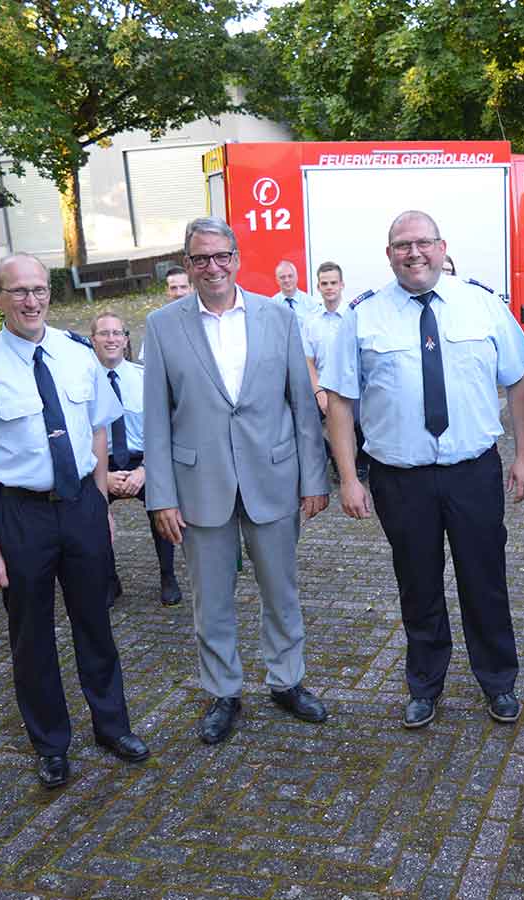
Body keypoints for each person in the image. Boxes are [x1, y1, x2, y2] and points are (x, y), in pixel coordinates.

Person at [0, 253, 149, 789]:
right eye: (18, 292)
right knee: (31, 635)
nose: (31, 301)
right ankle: (51, 743)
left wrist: (100, 507)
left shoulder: (77, 353)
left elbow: (99, 431)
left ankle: (112, 726)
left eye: (39, 289)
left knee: (95, 623)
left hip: (80, 503)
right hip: (19, 514)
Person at [322, 210, 524, 729]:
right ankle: (424, 684)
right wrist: (349, 477)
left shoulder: (482, 304)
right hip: (401, 478)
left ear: (442, 247)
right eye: (401, 245)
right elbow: (341, 402)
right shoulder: (363, 317)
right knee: (417, 584)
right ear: (389, 253)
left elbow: (520, 382)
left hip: (472, 472)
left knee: (485, 582)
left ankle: (498, 682)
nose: (413, 253)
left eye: (422, 243)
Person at [144, 217, 330, 745]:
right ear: (187, 265)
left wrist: (314, 477)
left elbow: (301, 404)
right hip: (199, 485)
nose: (212, 267)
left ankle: (287, 681)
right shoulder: (162, 326)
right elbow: (156, 417)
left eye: (221, 255)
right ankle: (223, 690)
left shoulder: (277, 318)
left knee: (282, 590)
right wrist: (160, 496)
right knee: (212, 600)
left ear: (237, 258)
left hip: (272, 477)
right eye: (200, 258)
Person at [89, 311, 182, 607]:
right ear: (93, 340)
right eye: (104, 333)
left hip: (144, 461)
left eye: (117, 333)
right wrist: (101, 477)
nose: (111, 339)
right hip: (99, 464)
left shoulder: (145, 378)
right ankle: (107, 579)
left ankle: (168, 575)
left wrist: (145, 471)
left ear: (126, 339)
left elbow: (164, 430)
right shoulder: (81, 380)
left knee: (163, 506)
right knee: (89, 515)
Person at [302, 261, 368, 480]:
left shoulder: (355, 316)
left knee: (357, 428)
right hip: (323, 386)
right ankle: (339, 466)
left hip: (353, 388)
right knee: (320, 428)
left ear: (342, 285)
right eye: (324, 283)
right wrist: (319, 392)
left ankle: (359, 466)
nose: (329, 287)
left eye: (333, 283)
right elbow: (308, 361)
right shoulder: (311, 321)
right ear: (318, 287)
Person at [271, 260, 320, 328]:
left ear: (297, 277)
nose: (287, 280)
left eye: (290, 276)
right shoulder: (272, 304)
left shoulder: (311, 303)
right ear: (277, 280)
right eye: (282, 277)